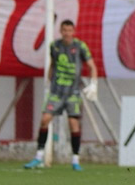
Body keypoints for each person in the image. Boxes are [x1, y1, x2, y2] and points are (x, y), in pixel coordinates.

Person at [23, 19, 98, 171]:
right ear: (61, 31)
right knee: (45, 119)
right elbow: (52, 64)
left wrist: (94, 84)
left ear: (73, 31)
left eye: (69, 30)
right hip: (56, 92)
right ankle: (38, 156)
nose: (67, 33)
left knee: (73, 124)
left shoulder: (80, 46)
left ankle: (75, 160)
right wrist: (48, 81)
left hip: (73, 93)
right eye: (64, 30)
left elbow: (92, 66)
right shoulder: (55, 46)